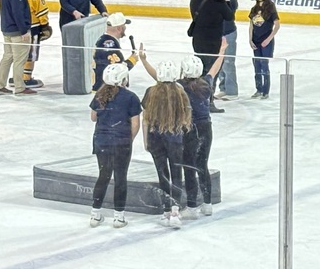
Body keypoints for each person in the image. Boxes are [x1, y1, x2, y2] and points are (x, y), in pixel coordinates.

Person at [139, 57, 192, 228]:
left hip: (155, 139)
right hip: (175, 138)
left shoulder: (150, 92)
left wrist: (145, 140)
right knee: (177, 174)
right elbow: (187, 115)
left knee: (162, 174)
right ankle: (175, 210)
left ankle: (166, 210)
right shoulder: (180, 91)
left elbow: (145, 119)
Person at [88, 63, 142, 229]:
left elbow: (93, 117)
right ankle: (119, 217)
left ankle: (95, 215)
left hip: (101, 141)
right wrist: (128, 139)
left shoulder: (99, 95)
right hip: (121, 142)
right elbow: (135, 124)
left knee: (103, 175)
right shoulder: (131, 97)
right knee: (120, 177)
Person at [178, 41, 227, 220]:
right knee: (202, 165)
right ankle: (207, 204)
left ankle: (191, 206)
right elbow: (214, 69)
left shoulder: (179, 86)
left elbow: (159, 80)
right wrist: (221, 51)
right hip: (206, 128)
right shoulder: (206, 84)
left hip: (189, 129)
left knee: (189, 167)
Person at [188, 0, 236, 110]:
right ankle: (208, 101)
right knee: (212, 71)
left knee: (200, 69)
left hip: (198, 39)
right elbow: (229, 16)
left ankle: (198, 98)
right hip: (213, 41)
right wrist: (226, 0)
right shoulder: (218, 2)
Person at [18, 0, 51, 90]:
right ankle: (26, 78)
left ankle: (17, 75)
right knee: (31, 53)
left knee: (19, 51)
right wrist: (45, 26)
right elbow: (41, 11)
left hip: (18, 26)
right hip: (33, 27)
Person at [92, 13, 139, 91]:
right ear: (119, 28)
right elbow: (117, 70)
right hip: (105, 90)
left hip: (103, 88)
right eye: (124, 26)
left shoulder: (105, 40)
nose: (125, 28)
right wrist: (132, 60)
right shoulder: (109, 44)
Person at [249, 0, 280, 99]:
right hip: (256, 41)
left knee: (264, 65)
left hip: (266, 41)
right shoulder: (254, 8)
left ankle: (265, 91)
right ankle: (258, 89)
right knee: (256, 64)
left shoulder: (271, 7)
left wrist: (268, 39)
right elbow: (251, 25)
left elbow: (277, 25)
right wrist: (250, 39)